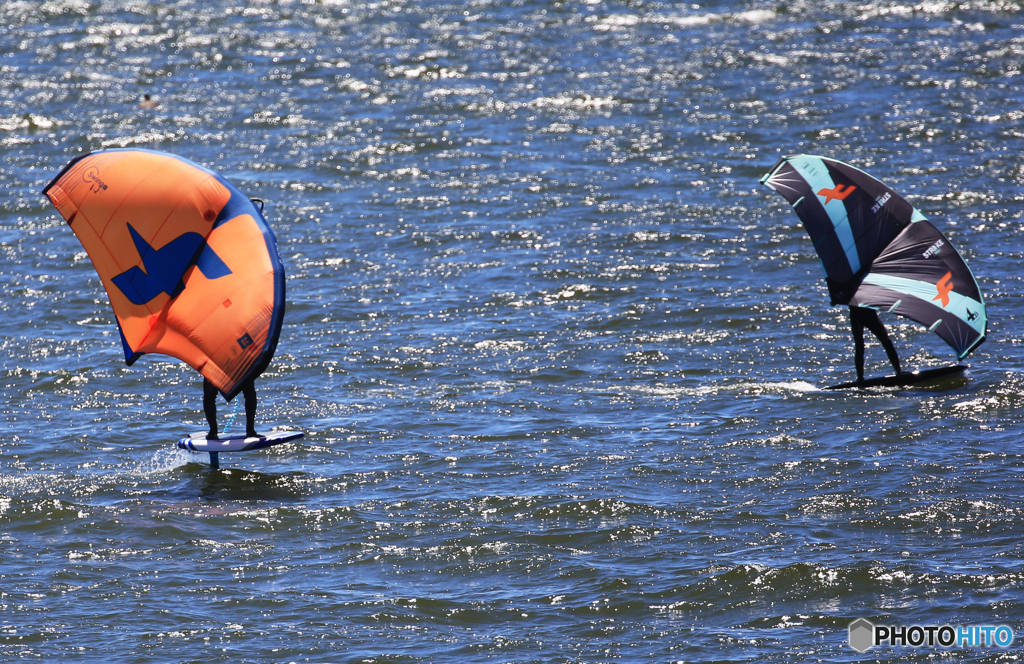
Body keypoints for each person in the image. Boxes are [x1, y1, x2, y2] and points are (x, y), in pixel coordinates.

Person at [849, 306, 901, 382]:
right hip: (856, 314)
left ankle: (899, 371)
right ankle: (860, 378)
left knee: (886, 341)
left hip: (869, 313)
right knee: (859, 346)